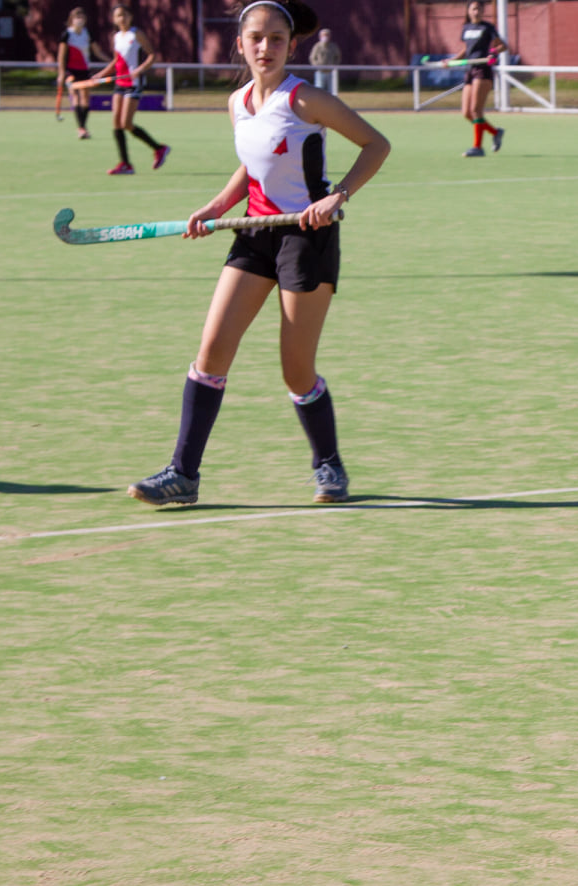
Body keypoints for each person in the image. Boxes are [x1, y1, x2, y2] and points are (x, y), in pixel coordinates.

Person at [126, 0, 390, 509]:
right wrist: (216, 205)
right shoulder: (239, 102)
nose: (264, 47)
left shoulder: (306, 99)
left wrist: (340, 195)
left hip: (304, 237)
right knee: (211, 354)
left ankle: (328, 464)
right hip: (253, 234)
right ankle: (183, 474)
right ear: (241, 43)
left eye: (274, 38)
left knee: (296, 370)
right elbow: (252, 166)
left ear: (292, 45)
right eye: (255, 38)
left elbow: (375, 145)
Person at [86, 5, 168, 175]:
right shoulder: (116, 37)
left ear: (130, 17)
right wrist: (99, 75)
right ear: (114, 19)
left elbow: (152, 55)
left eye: (124, 15)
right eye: (118, 16)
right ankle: (125, 164)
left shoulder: (136, 34)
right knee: (116, 123)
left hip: (134, 83)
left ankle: (159, 148)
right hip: (119, 83)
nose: (121, 18)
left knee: (126, 123)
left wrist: (139, 70)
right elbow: (116, 62)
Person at [455, 1, 506, 157]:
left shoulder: (488, 27)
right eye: (474, 8)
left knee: (476, 110)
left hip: (483, 69)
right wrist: (452, 60)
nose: (477, 11)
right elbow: (466, 49)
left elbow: (502, 46)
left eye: (479, 9)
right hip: (470, 69)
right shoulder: (466, 28)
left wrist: (493, 53)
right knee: (466, 113)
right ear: (469, 11)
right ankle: (495, 132)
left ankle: (477, 147)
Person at [56, 7, 103, 140]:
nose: (80, 20)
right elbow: (61, 56)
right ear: (72, 19)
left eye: (82, 18)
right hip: (71, 70)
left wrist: (112, 61)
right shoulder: (67, 34)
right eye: (77, 17)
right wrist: (61, 74)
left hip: (84, 70)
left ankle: (83, 126)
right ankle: (81, 128)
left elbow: (97, 51)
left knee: (86, 98)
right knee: (75, 97)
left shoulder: (87, 33)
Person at [308, 25, 340, 89]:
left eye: (327, 35)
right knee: (319, 89)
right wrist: (317, 66)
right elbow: (312, 58)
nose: (325, 37)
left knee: (331, 90)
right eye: (324, 35)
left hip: (330, 72)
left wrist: (334, 66)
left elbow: (338, 57)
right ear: (320, 36)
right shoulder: (317, 46)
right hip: (320, 72)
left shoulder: (333, 46)